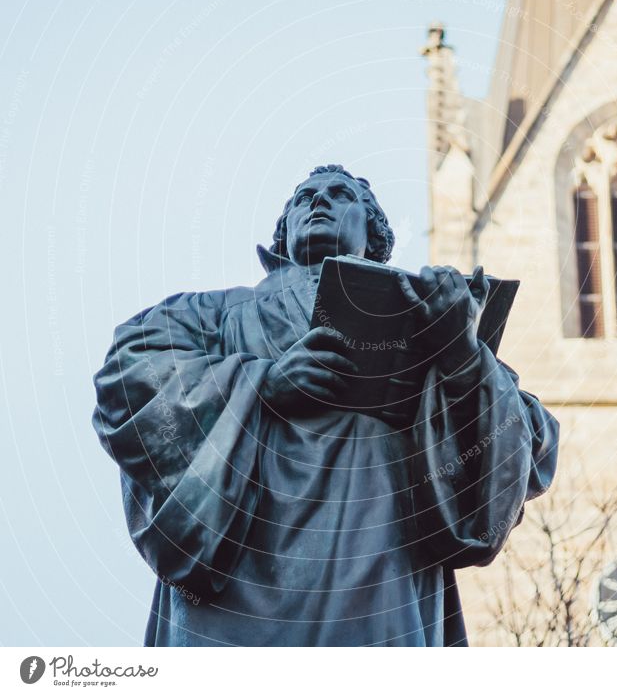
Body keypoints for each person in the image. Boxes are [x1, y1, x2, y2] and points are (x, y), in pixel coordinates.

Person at [92, 164, 559, 646]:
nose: (318, 201)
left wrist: (462, 356)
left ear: (373, 234)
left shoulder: (428, 317)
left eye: (339, 195)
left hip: (380, 576)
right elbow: (127, 378)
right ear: (283, 236)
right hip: (239, 591)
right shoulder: (214, 313)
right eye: (303, 198)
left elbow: (532, 445)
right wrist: (262, 382)